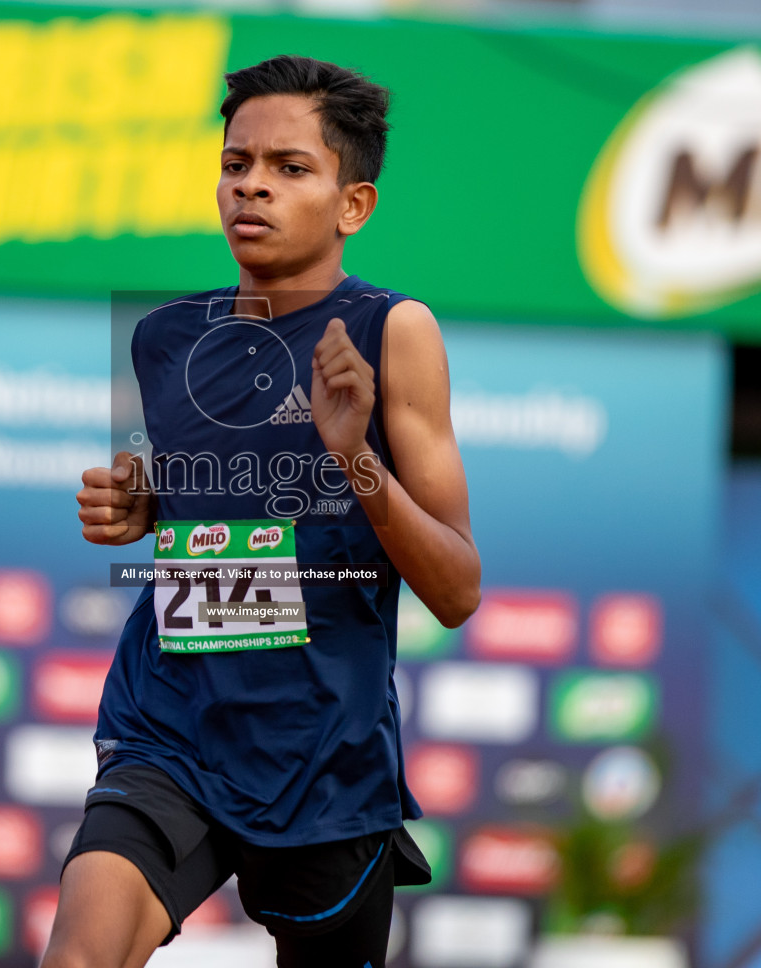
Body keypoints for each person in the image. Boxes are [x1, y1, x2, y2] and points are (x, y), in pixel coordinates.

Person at [50, 56, 480, 968]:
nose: (251, 186)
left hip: (324, 757)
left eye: (289, 168)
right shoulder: (165, 339)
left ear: (351, 204)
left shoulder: (393, 331)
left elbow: (457, 588)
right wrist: (149, 505)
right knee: (79, 957)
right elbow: (225, 498)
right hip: (170, 727)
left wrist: (356, 457)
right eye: (235, 163)